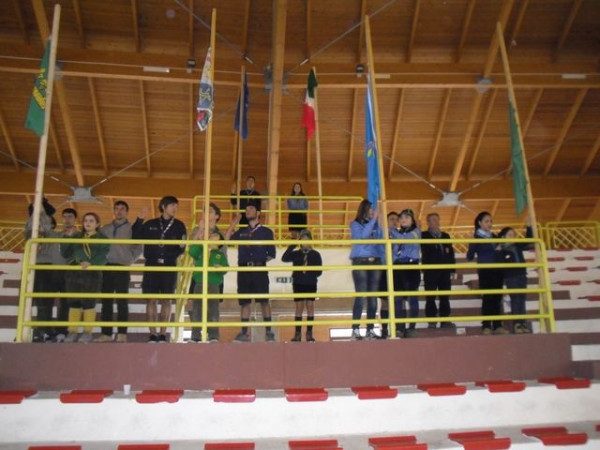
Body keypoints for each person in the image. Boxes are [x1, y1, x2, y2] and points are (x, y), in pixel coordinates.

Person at [134, 196, 187, 343]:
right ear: (163, 207)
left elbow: (182, 247)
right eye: (172, 205)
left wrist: (170, 254)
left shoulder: (179, 225)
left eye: (176, 206)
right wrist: (139, 220)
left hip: (169, 265)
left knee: (167, 300)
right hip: (152, 265)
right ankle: (153, 334)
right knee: (151, 300)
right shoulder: (150, 224)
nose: (175, 208)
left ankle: (163, 334)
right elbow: (136, 237)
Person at [226, 204, 276, 342]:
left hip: (259, 270)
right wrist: (233, 223)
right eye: (246, 209)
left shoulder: (266, 232)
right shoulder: (241, 231)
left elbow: (271, 253)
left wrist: (258, 261)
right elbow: (227, 240)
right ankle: (244, 333)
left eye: (251, 209)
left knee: (264, 301)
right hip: (244, 270)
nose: (248, 211)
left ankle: (269, 332)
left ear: (258, 213)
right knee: (244, 302)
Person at [95, 201, 143, 343]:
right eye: (116, 208)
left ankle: (122, 333)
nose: (119, 211)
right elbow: (98, 247)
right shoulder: (105, 229)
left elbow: (138, 247)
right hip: (106, 267)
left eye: (122, 209)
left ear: (127, 212)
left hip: (122, 267)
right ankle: (106, 334)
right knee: (106, 302)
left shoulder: (132, 229)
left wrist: (129, 259)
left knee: (122, 301)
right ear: (113, 211)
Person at [60, 212, 109, 343]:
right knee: (73, 302)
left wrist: (91, 263)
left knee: (89, 303)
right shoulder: (76, 236)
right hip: (74, 273)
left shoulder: (102, 238)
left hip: (92, 273)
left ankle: (87, 332)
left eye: (91, 221)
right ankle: (72, 331)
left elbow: (104, 255)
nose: (88, 223)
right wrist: (67, 237)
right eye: (86, 220)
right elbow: (65, 253)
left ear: (97, 224)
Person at [24, 198, 61, 342]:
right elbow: (35, 221)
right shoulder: (30, 228)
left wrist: (41, 205)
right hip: (33, 266)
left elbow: (45, 222)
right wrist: (38, 206)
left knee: (45, 301)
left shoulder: (49, 231)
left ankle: (44, 328)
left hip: (47, 267)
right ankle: (30, 330)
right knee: (30, 300)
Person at [466, 211, 508, 335]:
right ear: (480, 223)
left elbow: (502, 253)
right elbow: (469, 256)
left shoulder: (495, 237)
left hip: (498, 270)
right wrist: (471, 243)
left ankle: (497, 325)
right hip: (485, 271)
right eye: (486, 221)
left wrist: (500, 249)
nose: (489, 224)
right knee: (488, 297)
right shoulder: (476, 238)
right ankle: (486, 325)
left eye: (490, 221)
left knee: (497, 297)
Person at [349, 199, 383, 340]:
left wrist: (378, 225)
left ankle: (370, 330)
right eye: (371, 208)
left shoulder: (375, 225)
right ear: (364, 209)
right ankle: (355, 330)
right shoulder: (355, 224)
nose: (373, 211)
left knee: (373, 298)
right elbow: (362, 237)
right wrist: (373, 220)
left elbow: (380, 242)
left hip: (375, 262)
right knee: (361, 296)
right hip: (360, 262)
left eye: (374, 209)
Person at [189, 225, 228, 343]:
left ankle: (213, 336)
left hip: (213, 284)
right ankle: (195, 336)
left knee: (213, 310)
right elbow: (191, 252)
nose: (212, 236)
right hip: (199, 282)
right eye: (211, 235)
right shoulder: (201, 249)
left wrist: (220, 268)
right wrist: (200, 240)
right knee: (197, 309)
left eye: (215, 236)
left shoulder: (220, 255)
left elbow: (225, 269)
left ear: (219, 242)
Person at [282, 229, 323, 342]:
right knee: (299, 307)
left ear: (310, 241)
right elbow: (284, 258)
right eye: (302, 239)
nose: (305, 241)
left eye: (307, 239)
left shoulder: (315, 254)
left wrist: (309, 272)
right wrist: (293, 244)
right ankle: (297, 334)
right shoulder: (296, 254)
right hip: (298, 282)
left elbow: (319, 271)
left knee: (310, 306)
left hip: (310, 282)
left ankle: (309, 333)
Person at [421, 213, 456, 329]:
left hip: (444, 270)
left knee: (445, 296)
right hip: (430, 270)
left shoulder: (445, 236)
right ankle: (432, 320)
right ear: (428, 222)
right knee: (430, 296)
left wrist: (452, 269)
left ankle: (445, 320)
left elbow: (451, 253)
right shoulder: (423, 235)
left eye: (436, 219)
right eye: (432, 220)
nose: (435, 222)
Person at [498, 224, 534, 334]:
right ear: (503, 237)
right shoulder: (501, 250)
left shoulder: (517, 245)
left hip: (522, 275)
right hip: (511, 277)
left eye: (513, 235)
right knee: (515, 298)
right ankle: (517, 323)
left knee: (522, 299)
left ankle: (523, 323)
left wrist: (529, 227)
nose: (512, 237)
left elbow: (529, 241)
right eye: (509, 235)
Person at [392, 209, 422, 338]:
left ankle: (412, 327)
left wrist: (390, 230)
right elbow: (394, 251)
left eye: (407, 217)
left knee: (412, 298)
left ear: (412, 220)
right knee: (398, 299)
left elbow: (405, 240)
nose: (403, 220)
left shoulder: (416, 231)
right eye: (401, 218)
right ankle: (399, 327)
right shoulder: (397, 233)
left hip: (411, 266)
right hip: (398, 266)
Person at [378, 211, 399, 339]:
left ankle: (397, 328)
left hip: (397, 270)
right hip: (384, 270)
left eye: (396, 219)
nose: (394, 221)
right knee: (385, 302)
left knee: (398, 301)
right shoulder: (381, 234)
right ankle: (384, 329)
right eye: (392, 219)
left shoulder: (401, 235)